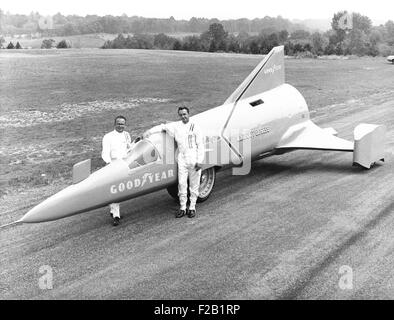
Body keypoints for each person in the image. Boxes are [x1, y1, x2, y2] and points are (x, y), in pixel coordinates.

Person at [144, 106, 205, 218]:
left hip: (193, 157)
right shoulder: (176, 126)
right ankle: (182, 208)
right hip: (182, 158)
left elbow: (200, 145)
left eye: (185, 114)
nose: (183, 116)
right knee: (181, 183)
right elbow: (163, 127)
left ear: (188, 114)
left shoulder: (195, 126)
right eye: (181, 114)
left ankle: (192, 207)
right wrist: (148, 132)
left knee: (194, 184)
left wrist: (200, 161)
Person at [102, 115, 134, 226]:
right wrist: (109, 163)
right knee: (115, 190)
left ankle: (113, 209)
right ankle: (116, 215)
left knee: (121, 189)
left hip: (124, 165)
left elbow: (129, 149)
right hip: (113, 165)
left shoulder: (126, 135)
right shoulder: (108, 137)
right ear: (114, 124)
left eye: (122, 124)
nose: (120, 126)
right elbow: (105, 153)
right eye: (118, 123)